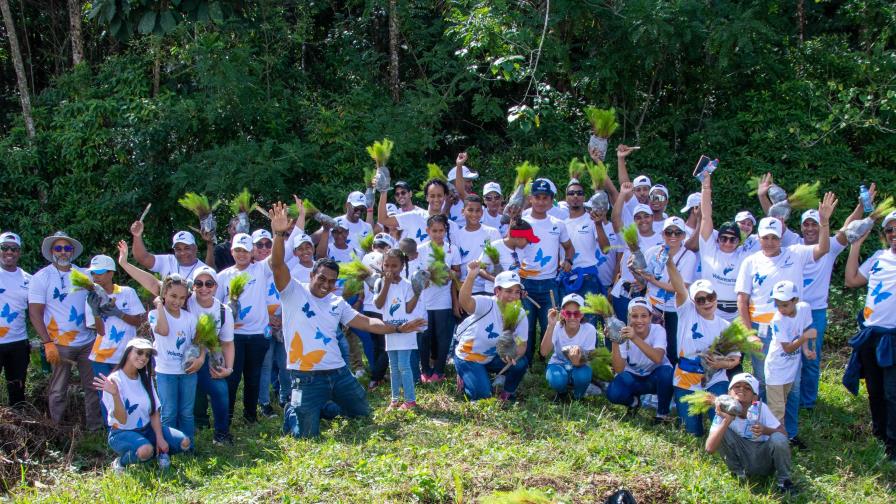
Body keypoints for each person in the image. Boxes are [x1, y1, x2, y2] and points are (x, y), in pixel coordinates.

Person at [267, 202, 424, 438]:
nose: (326, 285)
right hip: (306, 375)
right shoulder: (292, 291)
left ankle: (324, 406)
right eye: (322, 278)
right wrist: (279, 234)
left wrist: (399, 328)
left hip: (338, 373)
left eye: (331, 281)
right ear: (312, 275)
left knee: (363, 413)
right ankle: (296, 409)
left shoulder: (336, 302)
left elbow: (367, 322)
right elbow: (277, 264)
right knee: (306, 435)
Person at [116, 245, 237, 446]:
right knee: (173, 408)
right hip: (171, 364)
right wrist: (124, 263)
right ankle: (176, 439)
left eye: (209, 283)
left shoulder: (222, 310)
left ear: (216, 286)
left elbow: (226, 342)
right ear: (193, 287)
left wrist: (223, 366)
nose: (204, 287)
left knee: (218, 391)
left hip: (201, 356)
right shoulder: (184, 300)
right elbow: (154, 283)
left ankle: (220, 434)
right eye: (199, 283)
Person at [736, 193, 836, 395]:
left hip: (791, 324)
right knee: (763, 374)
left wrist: (824, 223)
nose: (770, 242)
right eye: (766, 238)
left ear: (781, 238)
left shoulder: (796, 253)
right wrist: (749, 333)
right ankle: (763, 415)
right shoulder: (750, 261)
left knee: (792, 374)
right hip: (761, 327)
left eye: (775, 238)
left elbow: (823, 248)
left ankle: (789, 416)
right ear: (760, 238)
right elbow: (742, 299)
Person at [28, 231, 102, 430]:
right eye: (58, 248)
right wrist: (47, 342)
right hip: (59, 343)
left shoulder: (84, 275)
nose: (63, 252)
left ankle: (95, 430)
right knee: (58, 389)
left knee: (92, 387)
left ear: (72, 252)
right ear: (52, 251)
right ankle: (56, 430)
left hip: (87, 341)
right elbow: (35, 313)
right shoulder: (41, 278)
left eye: (67, 248)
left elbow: (98, 301)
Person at [843, 210, 896, 461]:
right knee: (875, 390)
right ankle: (880, 436)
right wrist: (856, 245)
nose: (894, 234)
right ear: (885, 235)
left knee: (892, 392)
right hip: (871, 336)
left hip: (893, 338)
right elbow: (852, 280)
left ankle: (893, 442)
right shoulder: (877, 257)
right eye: (890, 230)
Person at [94, 338, 191, 472]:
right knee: (145, 450)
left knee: (184, 443)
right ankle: (121, 462)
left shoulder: (145, 377)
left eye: (147, 355)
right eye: (139, 352)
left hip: (147, 428)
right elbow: (122, 420)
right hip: (122, 432)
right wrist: (115, 395)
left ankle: (158, 453)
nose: (143, 357)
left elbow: (154, 411)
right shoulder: (114, 380)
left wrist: (159, 438)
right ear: (128, 353)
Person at [667, 258, 740, 436]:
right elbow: (679, 289)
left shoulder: (726, 326)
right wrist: (669, 262)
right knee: (693, 433)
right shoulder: (686, 313)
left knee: (722, 422)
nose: (707, 302)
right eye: (700, 299)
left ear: (716, 297)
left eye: (710, 297)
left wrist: (720, 364)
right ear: (693, 302)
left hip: (715, 379)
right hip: (685, 379)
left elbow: (735, 359)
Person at [705, 373, 796, 494]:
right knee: (721, 431)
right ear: (729, 393)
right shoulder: (723, 412)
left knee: (777, 438)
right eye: (737, 386)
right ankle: (739, 474)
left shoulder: (761, 408)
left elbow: (783, 434)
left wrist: (765, 430)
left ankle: (784, 481)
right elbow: (709, 449)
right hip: (741, 456)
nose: (741, 389)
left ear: (754, 398)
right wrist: (726, 421)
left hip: (763, 458)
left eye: (747, 388)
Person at [216, 233, 272, 425]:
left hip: (258, 335)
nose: (242, 254)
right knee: (231, 378)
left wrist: (280, 232)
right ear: (232, 251)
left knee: (253, 377)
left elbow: (282, 253)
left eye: (246, 250)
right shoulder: (223, 276)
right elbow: (215, 306)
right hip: (233, 337)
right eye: (238, 250)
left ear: (253, 252)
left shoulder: (261, 269)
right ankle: (227, 417)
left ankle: (250, 415)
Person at [84, 254, 146, 427]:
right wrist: (96, 311)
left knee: (128, 391)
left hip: (126, 355)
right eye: (93, 273)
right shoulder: (91, 297)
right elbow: (100, 331)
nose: (96, 276)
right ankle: (112, 430)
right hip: (101, 356)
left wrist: (118, 312)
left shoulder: (127, 292)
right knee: (105, 394)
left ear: (111, 273)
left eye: (100, 272)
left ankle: (133, 426)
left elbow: (138, 321)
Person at [521, 178, 575, 365]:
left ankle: (547, 361)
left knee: (549, 324)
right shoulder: (522, 222)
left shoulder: (558, 224)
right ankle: (525, 363)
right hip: (526, 282)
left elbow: (569, 248)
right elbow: (511, 249)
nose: (541, 201)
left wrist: (567, 260)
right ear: (530, 199)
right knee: (526, 326)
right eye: (537, 197)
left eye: (546, 198)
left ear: (552, 200)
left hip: (550, 284)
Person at [454, 266, 529, 401]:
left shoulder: (520, 314)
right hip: (469, 357)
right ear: (497, 291)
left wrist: (512, 352)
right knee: (484, 396)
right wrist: (471, 276)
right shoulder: (486, 303)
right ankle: (465, 375)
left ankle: (507, 393)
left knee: (521, 363)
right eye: (508, 291)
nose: (513, 296)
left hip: (492, 357)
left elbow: (522, 346)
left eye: (517, 292)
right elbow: (465, 303)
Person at [635, 216, 697, 365]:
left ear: (683, 235)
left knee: (673, 347)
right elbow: (643, 278)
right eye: (669, 232)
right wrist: (635, 270)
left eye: (677, 233)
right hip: (652, 306)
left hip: (674, 310)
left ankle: (673, 380)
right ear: (663, 234)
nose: (673, 236)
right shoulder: (652, 251)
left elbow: (681, 288)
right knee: (650, 344)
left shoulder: (689, 256)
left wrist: (652, 280)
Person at [149, 274, 200, 445]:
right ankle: (167, 448)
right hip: (165, 373)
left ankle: (187, 446)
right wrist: (159, 306)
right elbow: (163, 330)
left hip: (187, 373)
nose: (177, 301)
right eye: (173, 296)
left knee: (186, 412)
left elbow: (197, 342)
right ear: (164, 294)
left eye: (182, 298)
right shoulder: (155, 314)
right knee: (169, 412)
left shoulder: (189, 318)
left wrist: (197, 359)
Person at [605, 297, 674, 422]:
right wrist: (614, 340)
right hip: (634, 377)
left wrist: (635, 338)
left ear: (650, 317)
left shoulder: (658, 330)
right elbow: (619, 369)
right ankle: (634, 402)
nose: (639, 320)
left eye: (644, 316)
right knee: (613, 393)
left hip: (655, 377)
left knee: (667, 373)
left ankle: (662, 414)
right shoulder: (623, 332)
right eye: (634, 316)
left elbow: (658, 358)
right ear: (628, 317)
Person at [764, 280, 815, 444]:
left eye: (785, 304)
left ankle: (789, 435)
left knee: (789, 404)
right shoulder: (778, 320)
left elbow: (805, 329)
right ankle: (776, 443)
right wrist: (805, 338)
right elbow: (787, 348)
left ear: (795, 300)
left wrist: (806, 350)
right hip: (776, 369)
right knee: (777, 409)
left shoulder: (804, 308)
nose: (781, 308)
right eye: (778, 304)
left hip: (792, 369)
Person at [694, 175, 749, 321]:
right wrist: (706, 186)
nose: (727, 242)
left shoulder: (744, 255)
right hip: (711, 311)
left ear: (739, 241)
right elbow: (706, 217)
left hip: (738, 314)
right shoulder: (709, 249)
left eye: (732, 239)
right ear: (717, 239)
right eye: (724, 238)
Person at [375, 249, 422, 409]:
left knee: (404, 365)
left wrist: (417, 293)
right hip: (391, 330)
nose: (389, 269)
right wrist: (386, 284)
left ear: (402, 266)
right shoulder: (380, 282)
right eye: (386, 265)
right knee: (393, 367)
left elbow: (409, 309)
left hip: (406, 330)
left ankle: (410, 400)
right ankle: (394, 400)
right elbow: (379, 304)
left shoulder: (407, 285)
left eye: (394, 266)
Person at [416, 214, 461, 382]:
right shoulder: (421, 250)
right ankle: (425, 369)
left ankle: (439, 370)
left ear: (445, 230)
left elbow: (457, 272)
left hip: (444, 301)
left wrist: (448, 273)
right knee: (425, 336)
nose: (438, 234)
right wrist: (428, 273)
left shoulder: (452, 249)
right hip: (423, 302)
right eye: (434, 230)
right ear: (427, 230)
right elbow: (416, 275)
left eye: (441, 230)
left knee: (443, 337)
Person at [609, 183, 663, 323]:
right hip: (624, 294)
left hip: (648, 295)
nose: (643, 220)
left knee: (644, 335)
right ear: (634, 220)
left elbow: (662, 270)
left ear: (652, 217)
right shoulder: (630, 236)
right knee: (623, 334)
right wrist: (622, 193)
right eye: (638, 217)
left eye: (646, 216)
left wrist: (645, 283)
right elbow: (615, 219)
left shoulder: (662, 239)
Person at [561, 178, 611, 305]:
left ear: (584, 198)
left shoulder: (592, 220)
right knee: (567, 322)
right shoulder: (561, 224)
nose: (575, 196)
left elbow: (606, 249)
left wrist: (599, 225)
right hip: (566, 279)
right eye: (571, 193)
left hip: (587, 278)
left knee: (589, 321)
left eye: (579, 193)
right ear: (566, 198)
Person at [541, 294, 597, 400]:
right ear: (562, 313)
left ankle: (578, 396)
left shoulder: (589, 329)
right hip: (558, 363)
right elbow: (544, 352)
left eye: (577, 313)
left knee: (583, 376)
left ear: (582, 314)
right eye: (568, 313)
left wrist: (577, 362)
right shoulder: (557, 327)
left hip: (580, 365)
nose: (572, 317)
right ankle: (562, 393)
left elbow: (589, 357)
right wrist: (550, 326)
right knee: (557, 380)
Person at [0, 232, 31, 408]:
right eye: (4, 247)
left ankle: (19, 429)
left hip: (18, 343)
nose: (9, 252)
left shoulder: (28, 279)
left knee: (17, 391)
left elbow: (37, 311)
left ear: (19, 252)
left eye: (14, 248)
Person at [378, 178, 459, 244]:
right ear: (427, 197)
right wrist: (383, 192)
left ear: (445, 196)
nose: (436, 199)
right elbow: (383, 219)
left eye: (439, 195)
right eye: (432, 196)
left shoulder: (452, 226)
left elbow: (455, 258)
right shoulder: (413, 217)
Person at [452, 195, 501, 297]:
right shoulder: (456, 236)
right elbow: (455, 269)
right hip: (466, 289)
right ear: (463, 211)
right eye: (470, 210)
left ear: (482, 212)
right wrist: (457, 299)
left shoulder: (493, 233)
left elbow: (499, 261)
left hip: (489, 289)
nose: (474, 214)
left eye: (478, 210)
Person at [476, 219, 540, 294]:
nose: (529, 243)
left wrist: (519, 291)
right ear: (518, 237)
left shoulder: (521, 250)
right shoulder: (494, 246)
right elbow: (479, 269)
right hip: (494, 293)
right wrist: (496, 280)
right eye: (528, 240)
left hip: (512, 296)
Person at [130, 223, 212, 279]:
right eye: (178, 249)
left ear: (195, 248)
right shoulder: (168, 260)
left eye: (187, 248)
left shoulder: (204, 269)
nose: (182, 253)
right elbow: (143, 258)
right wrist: (137, 236)